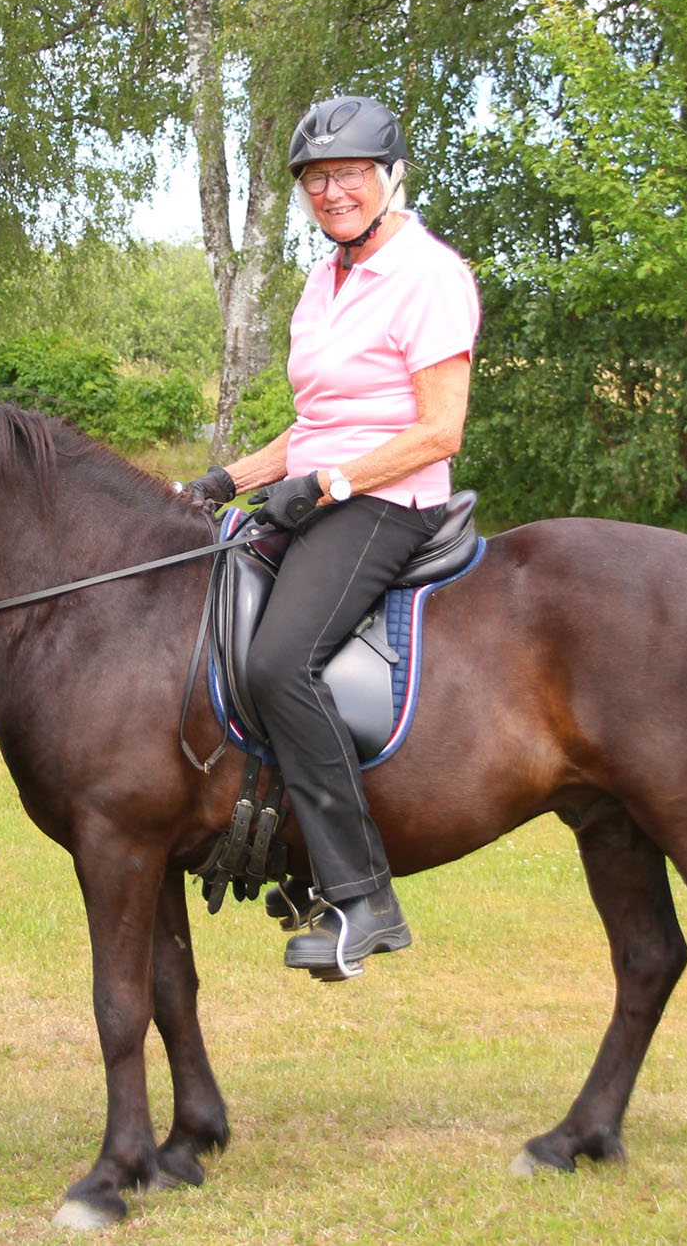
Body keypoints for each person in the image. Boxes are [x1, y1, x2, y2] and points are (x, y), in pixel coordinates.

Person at [179, 94, 481, 978]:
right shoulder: (327, 278)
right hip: (321, 490)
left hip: (390, 503)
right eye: (316, 180)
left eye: (348, 174)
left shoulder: (428, 276)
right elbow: (316, 425)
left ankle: (361, 898)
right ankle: (276, 839)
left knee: (279, 662)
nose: (331, 193)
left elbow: (442, 429)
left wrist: (331, 484)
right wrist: (223, 481)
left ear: (391, 178)